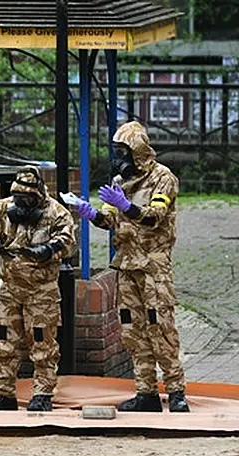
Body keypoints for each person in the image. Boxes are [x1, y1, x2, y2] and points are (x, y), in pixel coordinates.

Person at [73, 121, 189, 412]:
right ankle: (145, 393)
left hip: (153, 266)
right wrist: (90, 213)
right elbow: (109, 220)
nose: (117, 158)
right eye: (115, 152)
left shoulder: (163, 178)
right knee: (133, 331)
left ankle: (176, 392)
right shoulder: (119, 182)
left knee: (160, 327)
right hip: (126, 266)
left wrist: (126, 206)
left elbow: (154, 217)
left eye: (122, 151)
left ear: (136, 151)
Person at [0, 165, 76, 411]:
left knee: (43, 344)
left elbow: (68, 240)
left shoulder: (56, 212)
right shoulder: (2, 208)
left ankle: (42, 394)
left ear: (38, 195)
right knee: (4, 342)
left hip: (41, 292)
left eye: (26, 198)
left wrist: (50, 249)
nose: (21, 202)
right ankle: (4, 393)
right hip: (8, 289)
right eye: (18, 197)